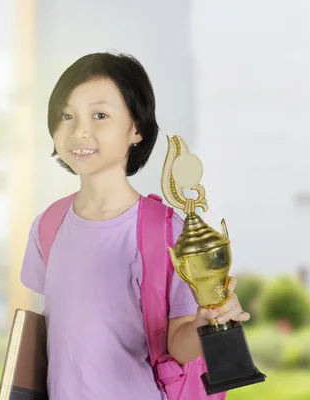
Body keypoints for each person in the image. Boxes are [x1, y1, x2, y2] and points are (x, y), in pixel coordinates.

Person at [20, 52, 250, 399]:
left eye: (100, 115)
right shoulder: (47, 226)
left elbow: (178, 345)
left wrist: (207, 324)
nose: (79, 130)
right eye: (66, 115)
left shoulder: (169, 232)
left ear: (136, 129)